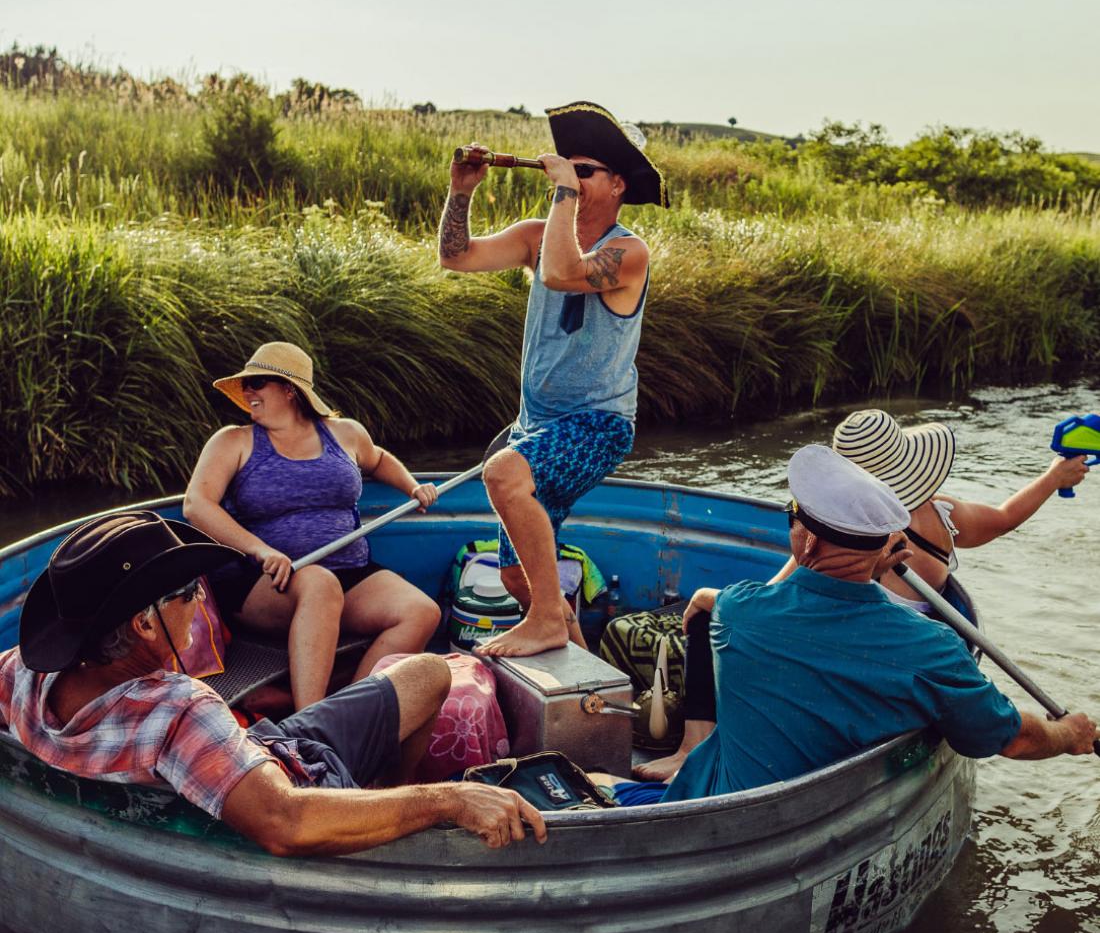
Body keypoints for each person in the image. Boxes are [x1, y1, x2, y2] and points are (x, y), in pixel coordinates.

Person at [0, 511, 546, 855]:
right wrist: (447, 800)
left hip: (241, 765)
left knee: (422, 671)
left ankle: (380, 796)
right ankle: (378, 803)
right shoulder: (178, 711)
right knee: (431, 671)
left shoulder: (24, 672)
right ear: (145, 623)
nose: (199, 600)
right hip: (300, 784)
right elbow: (286, 822)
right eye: (190, 590)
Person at [626, 446, 1096, 799]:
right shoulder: (932, 648)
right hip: (829, 815)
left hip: (711, 800)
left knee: (599, 783)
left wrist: (705, 598)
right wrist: (1068, 735)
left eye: (792, 516)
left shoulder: (740, 612)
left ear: (807, 544)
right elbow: (1011, 739)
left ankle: (686, 750)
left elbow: (725, 601)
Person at [439, 102, 667, 657]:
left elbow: (565, 274)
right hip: (538, 426)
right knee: (518, 577)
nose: (569, 175)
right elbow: (456, 257)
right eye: (569, 167)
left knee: (503, 474)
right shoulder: (539, 235)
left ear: (616, 185)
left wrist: (564, 193)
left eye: (584, 171)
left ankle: (544, 619)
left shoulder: (627, 250)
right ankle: (595, 678)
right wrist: (462, 191)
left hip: (598, 423)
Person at [184, 341, 441, 711]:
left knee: (422, 611)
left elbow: (378, 459)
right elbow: (196, 505)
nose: (248, 392)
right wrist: (262, 549)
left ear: (290, 389)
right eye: (245, 385)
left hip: (350, 572)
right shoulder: (232, 441)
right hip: (266, 581)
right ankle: (309, 720)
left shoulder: (346, 433)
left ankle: (351, 713)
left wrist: (412, 486)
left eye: (257, 382)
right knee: (320, 584)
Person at [829, 408, 1090, 611]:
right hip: (915, 644)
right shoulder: (940, 514)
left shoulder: (829, 532)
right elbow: (1005, 519)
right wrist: (1054, 477)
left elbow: (786, 591)